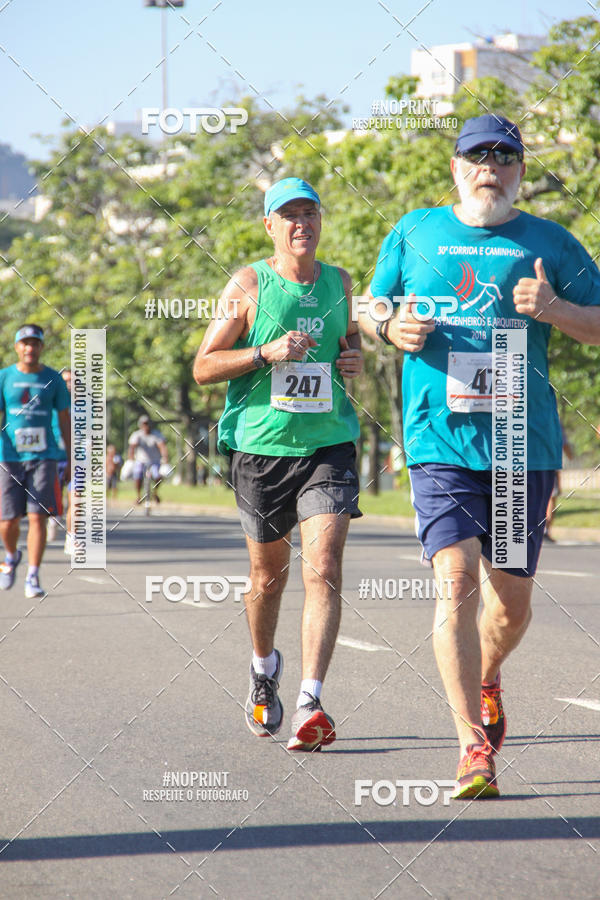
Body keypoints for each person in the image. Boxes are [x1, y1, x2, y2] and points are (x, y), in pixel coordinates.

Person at [359, 114, 600, 797]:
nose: (490, 168)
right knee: (457, 579)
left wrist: (553, 309)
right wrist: (388, 324)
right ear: (456, 168)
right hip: (438, 440)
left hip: (523, 445)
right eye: (477, 157)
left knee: (511, 607)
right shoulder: (414, 231)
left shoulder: (551, 242)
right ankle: (471, 747)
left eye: (504, 157)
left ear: (520, 170)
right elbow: (369, 303)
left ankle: (488, 676)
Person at [193, 177, 363, 751]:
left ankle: (311, 701)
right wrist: (264, 352)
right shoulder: (248, 284)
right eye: (289, 215)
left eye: (309, 213)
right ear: (270, 225)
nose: (301, 224)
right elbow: (203, 366)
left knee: (325, 566)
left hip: (328, 444)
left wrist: (354, 359)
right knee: (268, 578)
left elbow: (350, 343)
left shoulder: (340, 282)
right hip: (260, 450)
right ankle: (264, 668)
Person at [0, 325, 71, 598]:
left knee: (37, 516)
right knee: (8, 521)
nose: (30, 348)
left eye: (35, 343)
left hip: (44, 457)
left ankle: (32, 575)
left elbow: (64, 420)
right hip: (10, 458)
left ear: (42, 347)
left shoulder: (53, 379)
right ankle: (10, 555)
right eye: (25, 343)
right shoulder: (4, 377)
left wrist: (71, 456)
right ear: (17, 347)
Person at [48, 368, 72, 548]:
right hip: (54, 457)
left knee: (76, 498)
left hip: (76, 457)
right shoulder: (49, 403)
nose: (69, 384)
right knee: (54, 496)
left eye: (73, 381)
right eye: (65, 381)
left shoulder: (86, 406)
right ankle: (53, 518)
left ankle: (72, 537)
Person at [127, 414, 168, 505]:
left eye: (147, 424)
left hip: (154, 460)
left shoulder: (156, 435)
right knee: (137, 475)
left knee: (158, 476)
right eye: (144, 424)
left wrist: (165, 458)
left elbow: (162, 446)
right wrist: (131, 458)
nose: (146, 426)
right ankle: (138, 496)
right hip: (140, 460)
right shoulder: (137, 435)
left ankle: (155, 493)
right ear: (140, 425)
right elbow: (132, 447)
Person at [544, 425, 574, 542]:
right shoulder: (553, 420)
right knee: (551, 497)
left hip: (531, 466)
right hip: (550, 465)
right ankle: (545, 530)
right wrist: (571, 456)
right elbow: (563, 442)